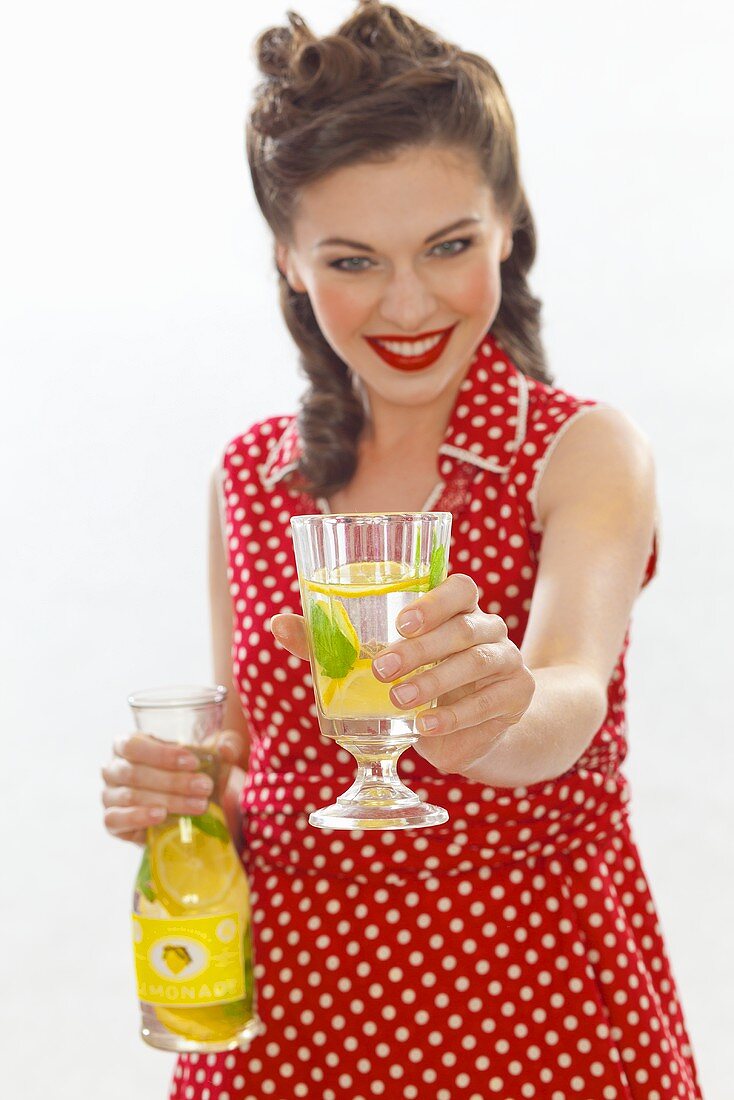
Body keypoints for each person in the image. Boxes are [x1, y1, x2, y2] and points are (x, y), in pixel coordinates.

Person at [101, 2, 703, 1097]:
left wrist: (487, 704)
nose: (408, 300)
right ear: (287, 260)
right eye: (351, 259)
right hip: (289, 1017)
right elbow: (252, 763)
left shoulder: (578, 451)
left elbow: (563, 692)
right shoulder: (251, 474)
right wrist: (186, 792)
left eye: (447, 245)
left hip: (530, 1007)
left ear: (507, 224)